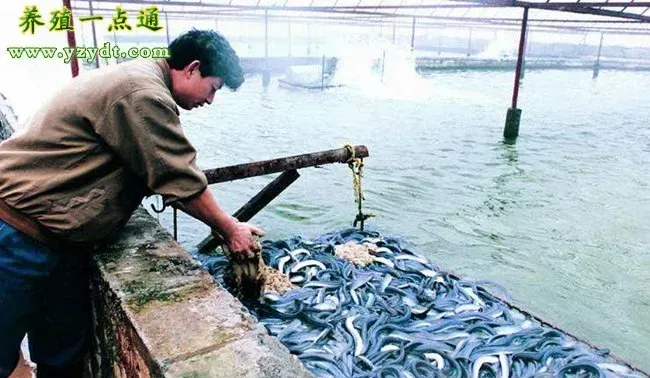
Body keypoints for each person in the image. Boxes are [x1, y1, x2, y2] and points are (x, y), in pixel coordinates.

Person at [0, 29, 264, 378]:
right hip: (16, 235)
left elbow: (157, 166)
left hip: (61, 244)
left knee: (63, 357)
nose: (211, 100)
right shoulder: (142, 93)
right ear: (192, 68)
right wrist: (231, 230)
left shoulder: (138, 79)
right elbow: (178, 175)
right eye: (213, 88)